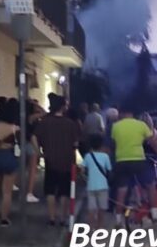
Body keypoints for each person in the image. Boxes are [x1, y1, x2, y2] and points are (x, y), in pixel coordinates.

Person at [111, 107, 157, 227]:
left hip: (121, 161)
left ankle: (117, 221)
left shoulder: (115, 126)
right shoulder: (141, 125)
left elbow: (113, 144)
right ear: (132, 113)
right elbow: (152, 142)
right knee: (150, 186)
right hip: (138, 160)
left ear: (122, 113)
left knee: (121, 191)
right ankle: (154, 214)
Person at [33, 95, 81, 227]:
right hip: (67, 161)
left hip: (50, 159)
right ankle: (62, 217)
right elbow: (76, 143)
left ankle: (52, 217)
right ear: (62, 107)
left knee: (50, 190)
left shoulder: (45, 122)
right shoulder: (70, 124)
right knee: (64, 191)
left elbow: (34, 137)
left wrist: (39, 153)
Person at [0, 101, 21, 227]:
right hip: (8, 156)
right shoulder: (14, 128)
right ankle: (4, 218)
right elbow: (19, 143)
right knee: (7, 191)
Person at [80, 134, 112, 230]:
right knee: (102, 208)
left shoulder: (87, 156)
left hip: (91, 186)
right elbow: (109, 169)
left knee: (91, 208)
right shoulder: (105, 156)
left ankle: (91, 228)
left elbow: (82, 170)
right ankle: (100, 226)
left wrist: (86, 178)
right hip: (103, 186)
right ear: (101, 145)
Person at [24, 99, 46, 203]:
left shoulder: (23, 116)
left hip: (23, 143)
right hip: (31, 143)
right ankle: (29, 192)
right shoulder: (31, 117)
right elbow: (44, 113)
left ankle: (23, 189)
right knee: (32, 170)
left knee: (23, 167)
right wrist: (36, 104)